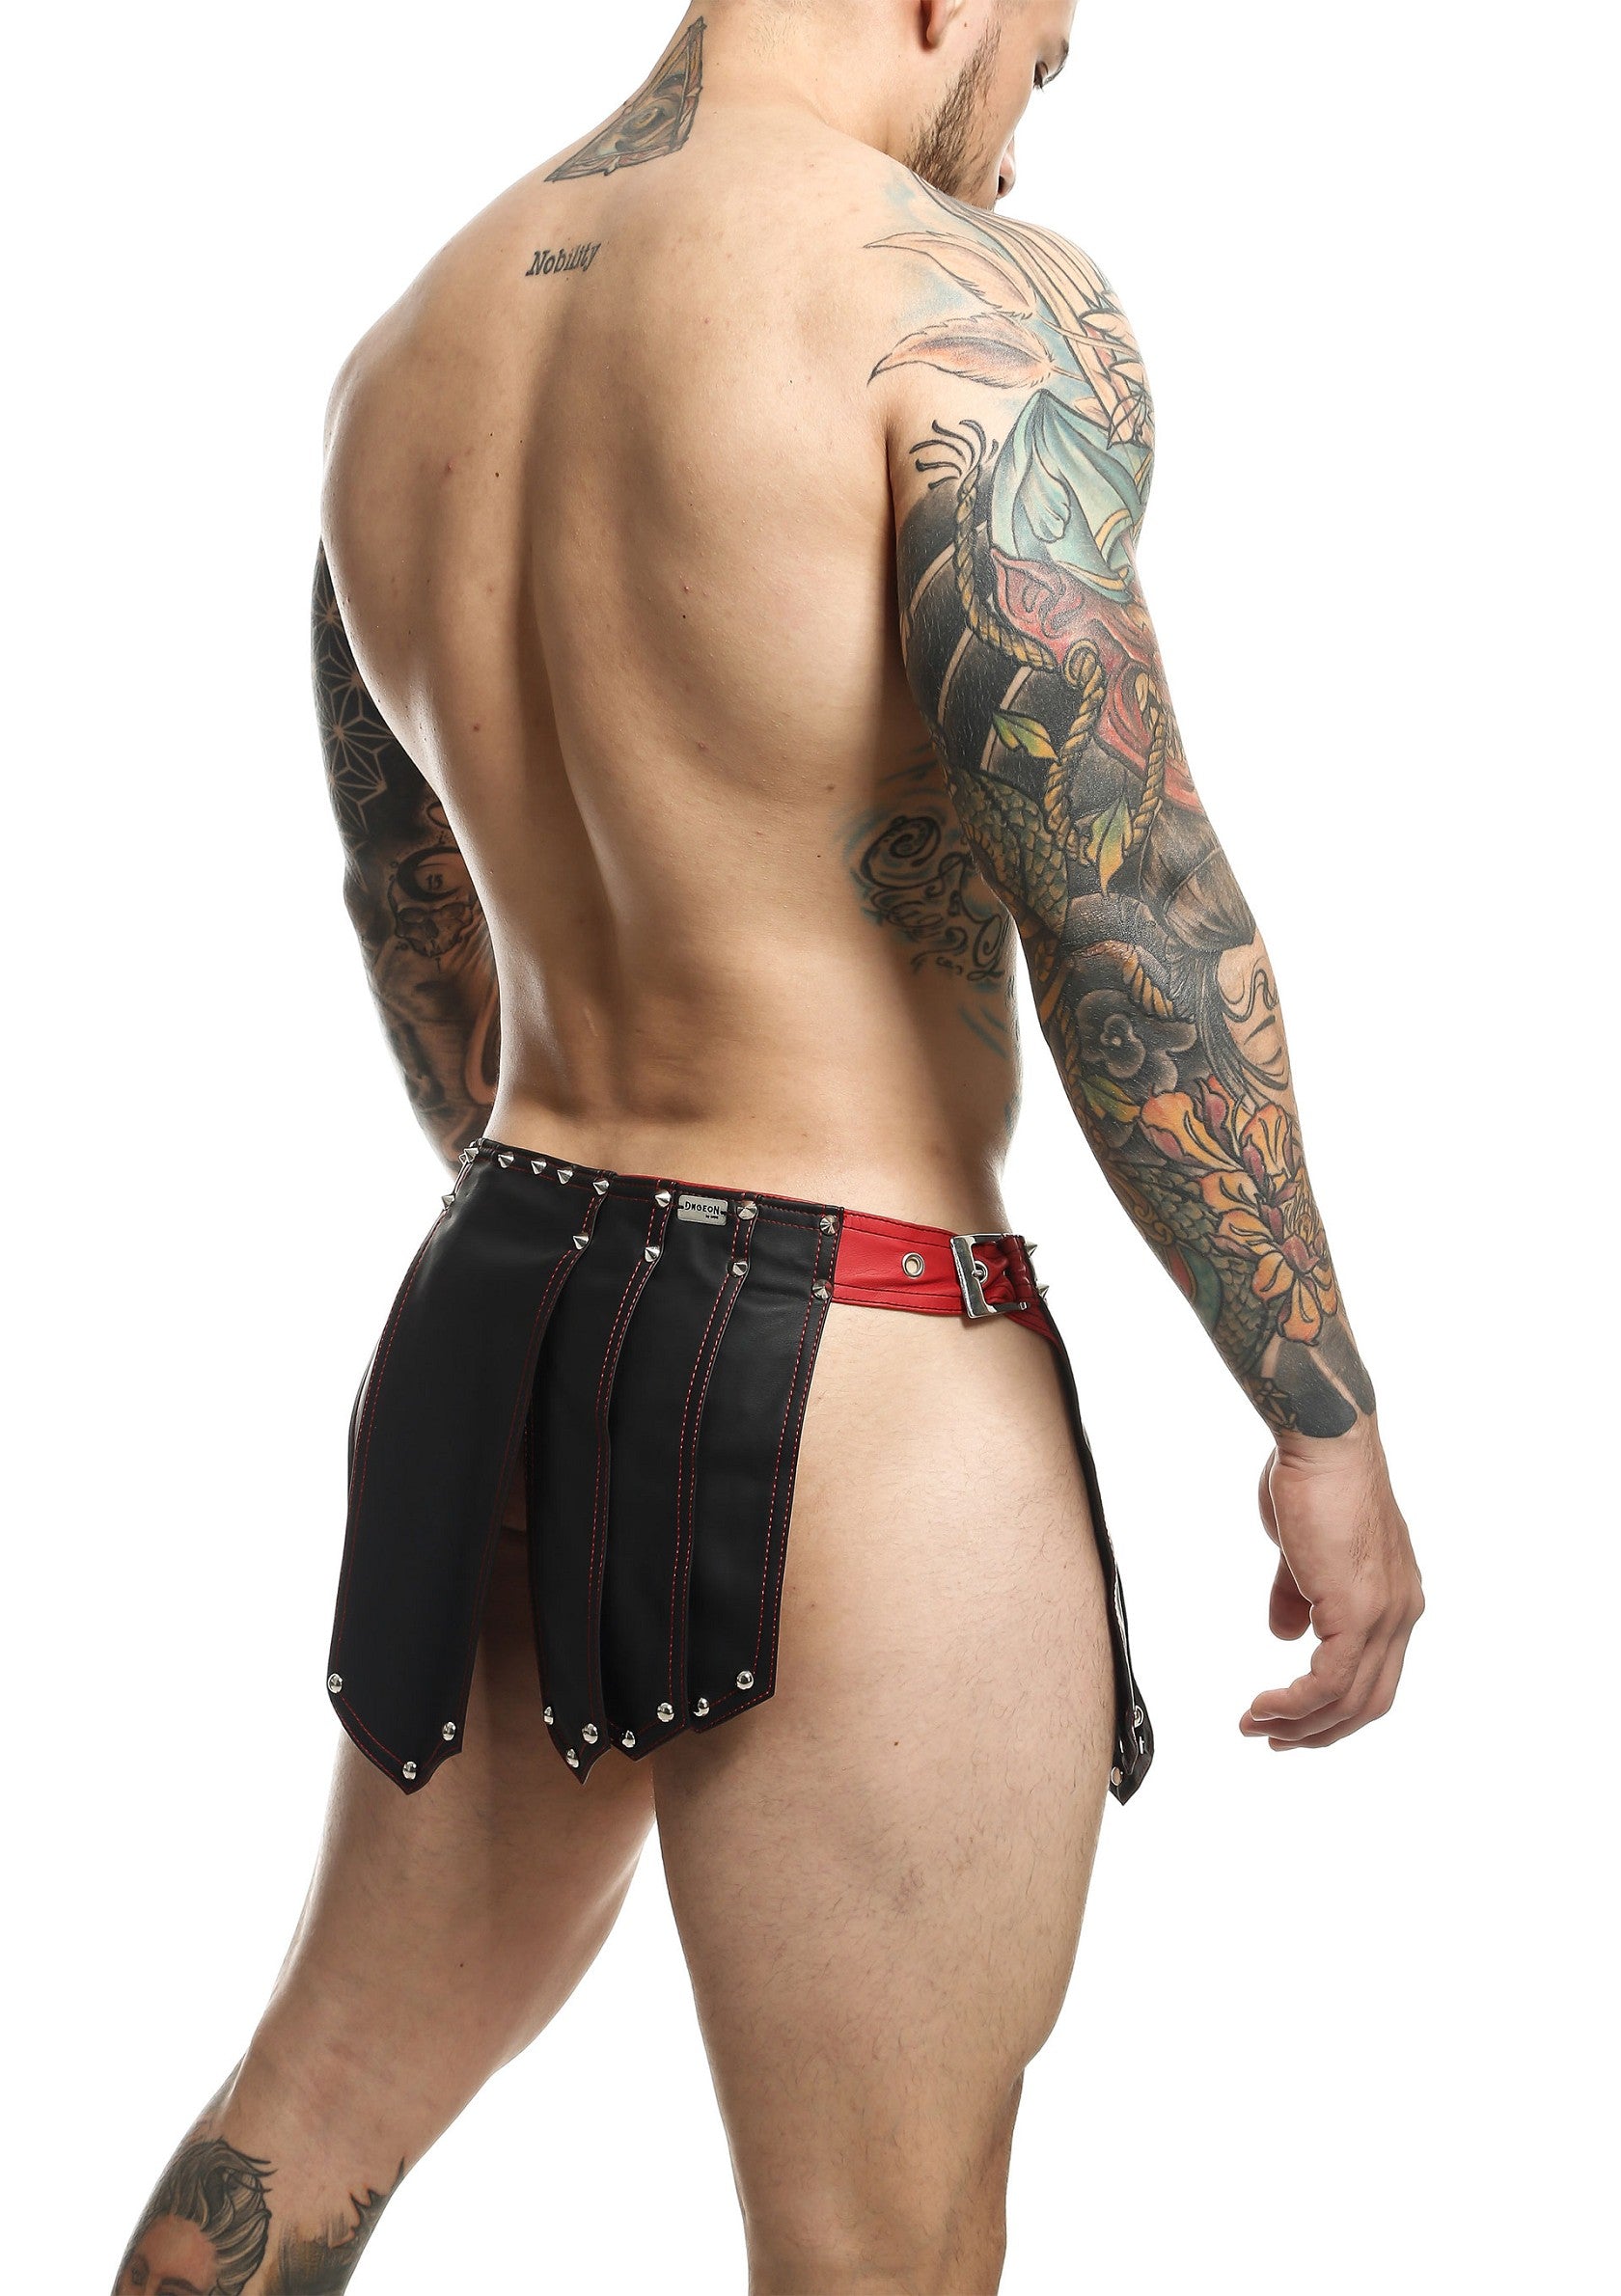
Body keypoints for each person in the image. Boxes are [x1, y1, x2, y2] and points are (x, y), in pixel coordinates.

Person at [114, 4, 1424, 2289]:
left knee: (306, 2111)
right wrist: (1320, 1408)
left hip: (503, 1299)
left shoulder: (406, 353)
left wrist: (586, 1234)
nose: (1017, 133)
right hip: (862, 1359)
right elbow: (1126, 899)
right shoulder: (951, 308)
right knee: (877, 2247)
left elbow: (418, 918)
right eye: (1038, 58)